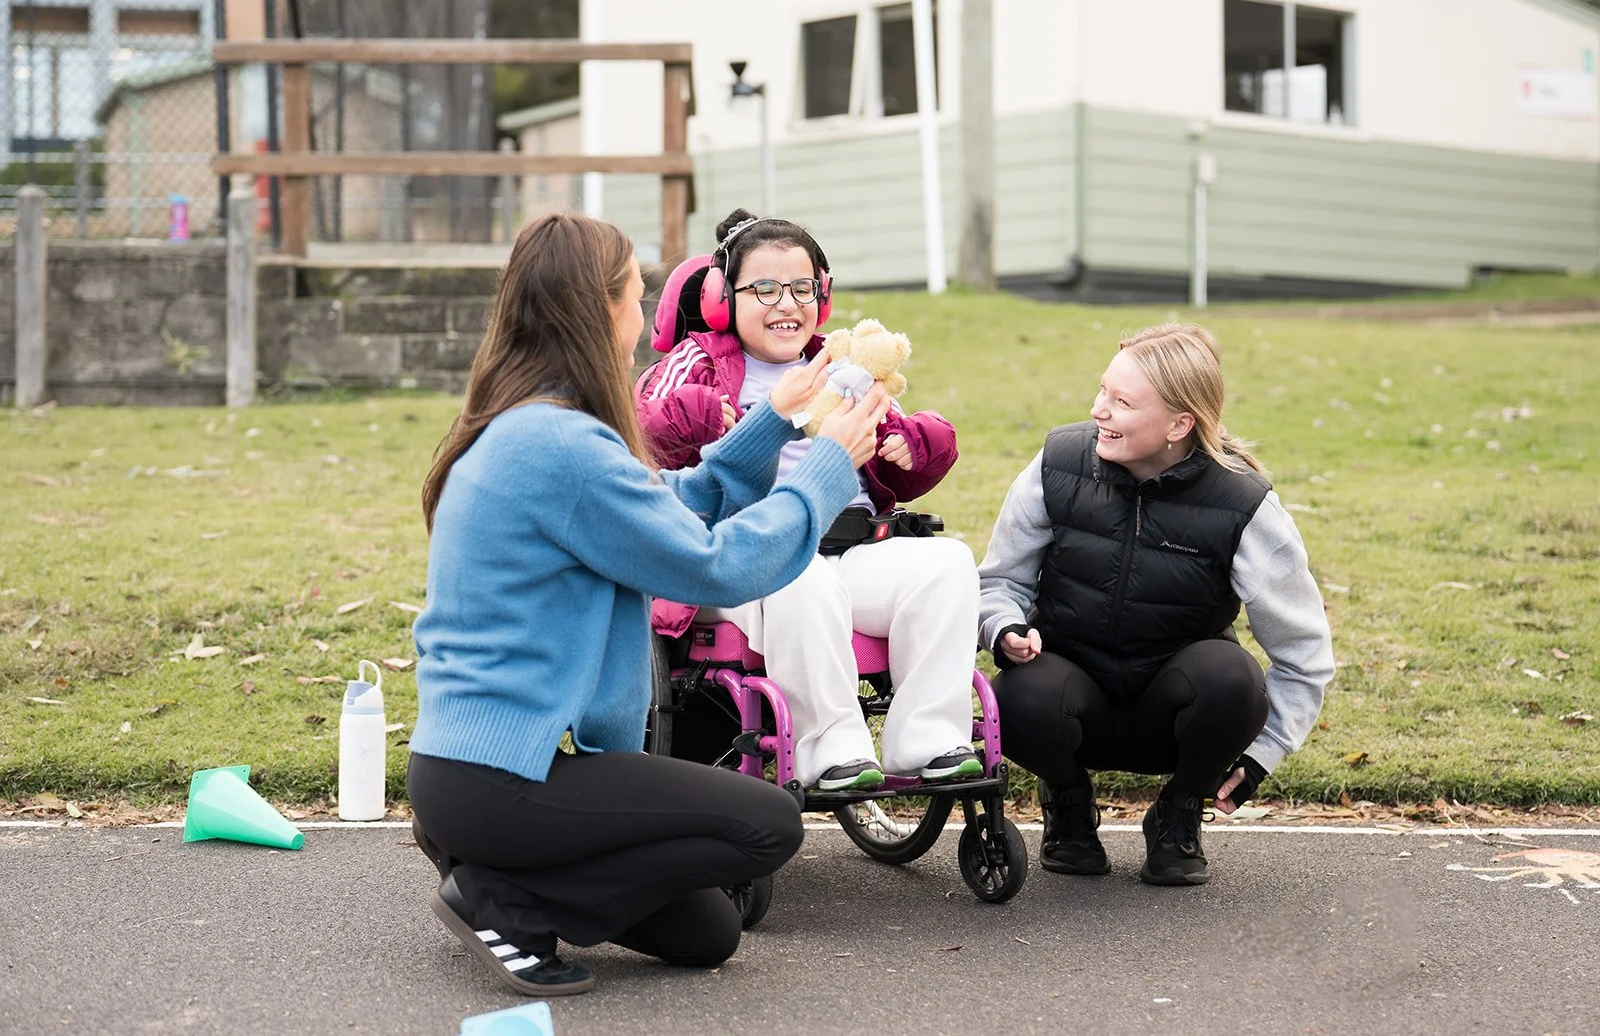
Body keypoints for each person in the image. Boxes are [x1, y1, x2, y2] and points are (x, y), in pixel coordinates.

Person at [406, 213, 892, 996]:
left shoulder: (534, 424)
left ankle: (495, 868)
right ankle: (501, 893)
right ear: (598, 311)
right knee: (768, 823)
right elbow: (719, 564)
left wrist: (775, 420)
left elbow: (670, 502)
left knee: (707, 932)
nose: (644, 314)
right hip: (502, 775)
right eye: (637, 296)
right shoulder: (559, 446)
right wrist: (825, 466)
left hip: (480, 772)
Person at [635, 209, 982, 792]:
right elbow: (647, 421)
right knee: (797, 573)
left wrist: (910, 444)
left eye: (800, 288)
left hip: (849, 546)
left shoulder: (840, 367)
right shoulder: (696, 361)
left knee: (947, 565)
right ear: (725, 299)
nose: (785, 304)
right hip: (742, 555)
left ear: (821, 296)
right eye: (764, 289)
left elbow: (904, 445)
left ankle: (928, 740)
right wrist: (698, 416)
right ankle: (832, 749)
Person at [977, 323, 1334, 886]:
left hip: (1177, 715)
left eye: (1122, 402)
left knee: (1233, 678)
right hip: (1071, 702)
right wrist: (1004, 626)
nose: (1099, 410)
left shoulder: (1243, 504)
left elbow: (1304, 652)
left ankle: (1178, 815)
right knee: (1019, 692)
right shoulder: (1057, 463)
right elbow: (997, 582)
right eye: (1102, 391)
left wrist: (1266, 751)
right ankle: (1068, 804)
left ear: (1178, 424)